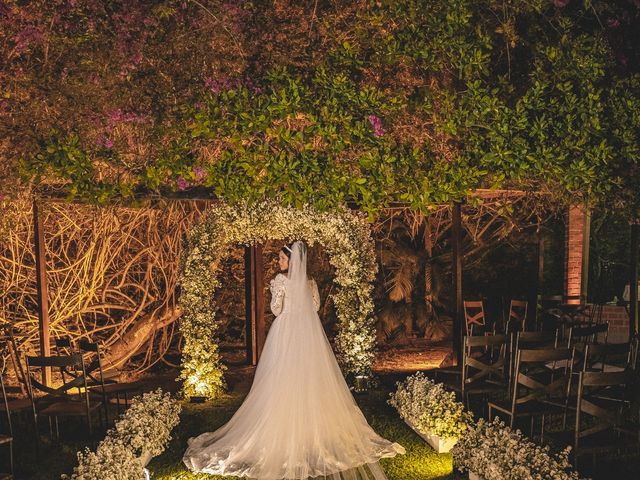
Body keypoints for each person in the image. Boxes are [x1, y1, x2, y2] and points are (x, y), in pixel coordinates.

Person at [183, 241, 405, 479]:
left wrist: (275, 293)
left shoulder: (280, 281)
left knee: (281, 376)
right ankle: (310, 428)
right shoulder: (310, 282)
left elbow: (276, 309)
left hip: (286, 330)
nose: (279, 262)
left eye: (281, 259)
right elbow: (316, 307)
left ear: (292, 261)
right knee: (310, 377)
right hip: (309, 332)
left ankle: (282, 425)